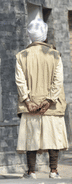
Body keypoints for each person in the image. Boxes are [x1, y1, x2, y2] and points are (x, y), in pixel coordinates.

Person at [15, 18, 69, 179]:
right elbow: (58, 80)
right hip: (51, 106)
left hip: (30, 106)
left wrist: (27, 100)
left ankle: (31, 171)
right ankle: (53, 171)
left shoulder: (21, 55)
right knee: (53, 137)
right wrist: (50, 100)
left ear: (30, 37)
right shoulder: (54, 54)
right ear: (44, 36)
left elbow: (20, 80)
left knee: (31, 138)